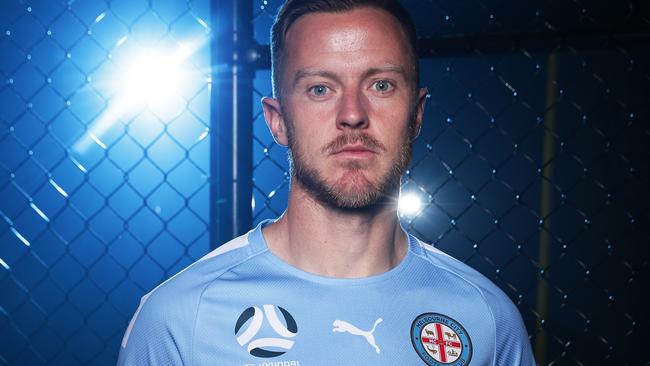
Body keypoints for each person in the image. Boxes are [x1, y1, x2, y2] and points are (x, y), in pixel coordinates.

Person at [118, 0, 536, 365]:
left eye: (381, 85)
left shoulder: (485, 319)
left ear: (417, 113)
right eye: (320, 88)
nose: (352, 113)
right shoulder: (181, 319)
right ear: (278, 120)